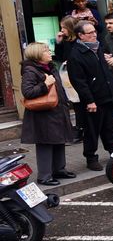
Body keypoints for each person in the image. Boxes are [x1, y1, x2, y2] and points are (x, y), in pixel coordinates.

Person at [65, 21, 113, 171]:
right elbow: (79, 82)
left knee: (110, 127)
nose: (94, 34)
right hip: (92, 100)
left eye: (94, 31)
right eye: (90, 33)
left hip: (106, 95)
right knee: (92, 130)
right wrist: (89, 101)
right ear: (80, 36)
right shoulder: (76, 55)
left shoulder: (97, 48)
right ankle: (91, 158)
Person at [21, 42, 75, 186]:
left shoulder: (50, 67)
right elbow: (27, 92)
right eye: (46, 50)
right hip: (43, 114)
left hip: (56, 111)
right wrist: (45, 84)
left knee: (59, 140)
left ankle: (59, 170)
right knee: (45, 144)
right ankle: (44, 176)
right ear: (37, 54)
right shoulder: (30, 71)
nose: (49, 52)